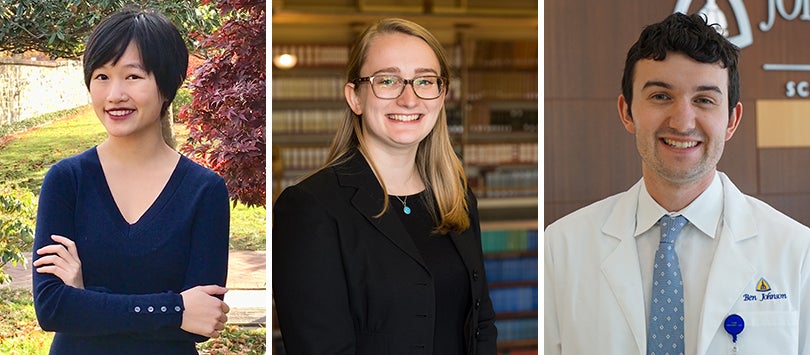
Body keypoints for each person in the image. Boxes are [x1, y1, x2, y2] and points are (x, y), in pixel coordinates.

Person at [545, 12, 810, 355]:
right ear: (627, 112)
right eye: (660, 96)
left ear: (732, 120)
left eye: (704, 100)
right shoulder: (561, 247)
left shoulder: (797, 250)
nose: (683, 122)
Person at [272, 18, 498, 354]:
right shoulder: (310, 208)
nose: (409, 99)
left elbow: (481, 327)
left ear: (441, 95)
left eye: (424, 81)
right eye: (388, 80)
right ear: (356, 98)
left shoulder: (457, 197)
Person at [31, 7, 231, 355]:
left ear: (167, 86)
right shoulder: (66, 181)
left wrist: (86, 299)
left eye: (133, 77)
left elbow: (203, 320)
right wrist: (174, 310)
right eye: (102, 77)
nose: (114, 95)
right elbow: (52, 308)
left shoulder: (204, 190)